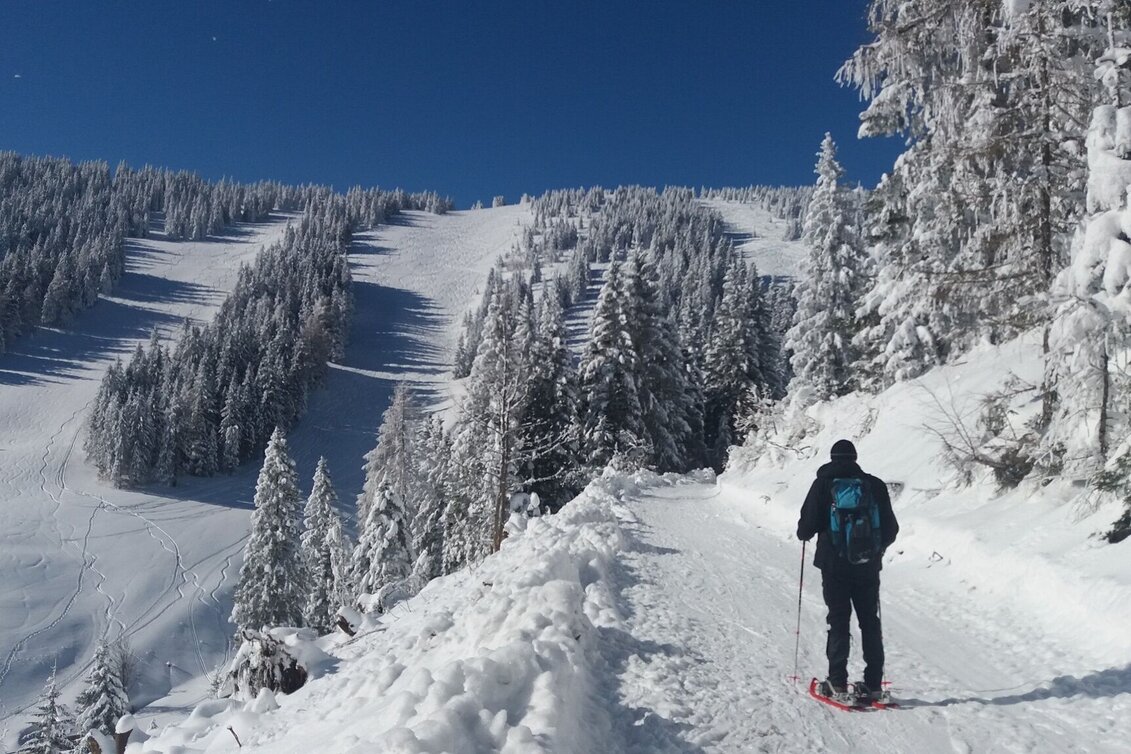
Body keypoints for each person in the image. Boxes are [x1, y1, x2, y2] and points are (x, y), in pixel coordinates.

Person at [797, 439, 898, 702]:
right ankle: (874, 684)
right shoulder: (874, 485)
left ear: (832, 458)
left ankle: (838, 683)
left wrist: (807, 533)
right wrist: (874, 551)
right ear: (855, 458)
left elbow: (806, 528)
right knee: (870, 621)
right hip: (867, 566)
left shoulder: (823, 484)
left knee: (839, 620)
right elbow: (891, 529)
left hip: (834, 566)